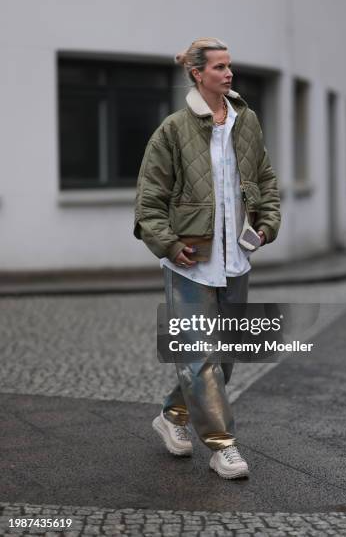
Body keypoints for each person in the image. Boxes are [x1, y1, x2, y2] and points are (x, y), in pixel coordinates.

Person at [133, 37, 281, 479]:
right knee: (199, 354)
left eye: (229, 65)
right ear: (198, 74)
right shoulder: (174, 129)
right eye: (219, 67)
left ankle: (172, 416)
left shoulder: (246, 121)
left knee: (228, 356)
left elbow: (265, 178)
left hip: (237, 257)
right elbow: (149, 199)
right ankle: (223, 446)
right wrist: (171, 245)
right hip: (190, 261)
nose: (228, 73)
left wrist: (268, 223)